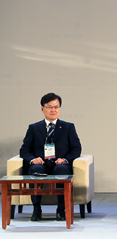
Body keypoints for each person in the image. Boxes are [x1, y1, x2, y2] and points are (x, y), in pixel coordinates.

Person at [19, 92, 82, 222]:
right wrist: (33, 159)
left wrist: (64, 160)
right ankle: (36, 209)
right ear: (42, 109)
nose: (53, 110)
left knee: (61, 170)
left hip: (59, 164)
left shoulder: (68, 127)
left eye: (56, 107)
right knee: (36, 170)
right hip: (40, 164)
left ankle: (61, 209)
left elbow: (76, 149)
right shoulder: (34, 128)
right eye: (49, 107)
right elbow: (24, 150)